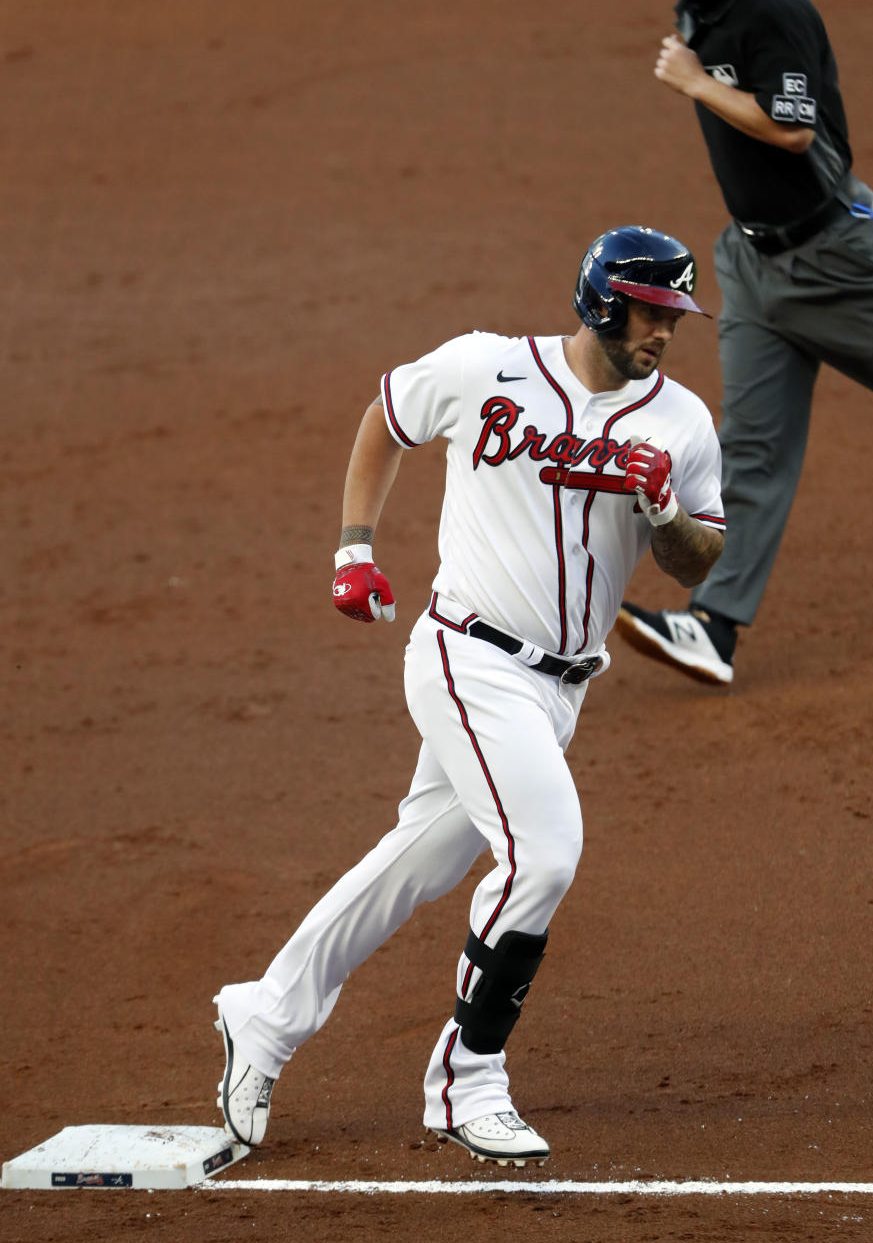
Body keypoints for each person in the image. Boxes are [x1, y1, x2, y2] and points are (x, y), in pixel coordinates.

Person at [211, 226, 725, 1167]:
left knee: (417, 861)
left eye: (675, 318)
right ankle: (467, 1079)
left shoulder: (682, 422)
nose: (664, 333)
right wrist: (355, 546)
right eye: (652, 312)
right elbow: (388, 416)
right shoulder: (487, 367)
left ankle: (266, 1012)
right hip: (466, 658)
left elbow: (701, 561)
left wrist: (666, 513)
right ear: (604, 299)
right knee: (546, 854)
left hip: (559, 695)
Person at [617, 0, 873, 686]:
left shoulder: (774, 8)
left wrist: (698, 83)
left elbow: (794, 130)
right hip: (754, 266)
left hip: (834, 261)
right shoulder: (699, 6)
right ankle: (715, 629)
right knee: (754, 450)